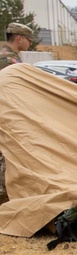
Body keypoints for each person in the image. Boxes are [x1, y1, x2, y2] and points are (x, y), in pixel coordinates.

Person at [0, 23, 37, 204]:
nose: (30, 43)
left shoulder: (6, 56)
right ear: (19, 38)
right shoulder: (8, 61)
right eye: (29, 39)